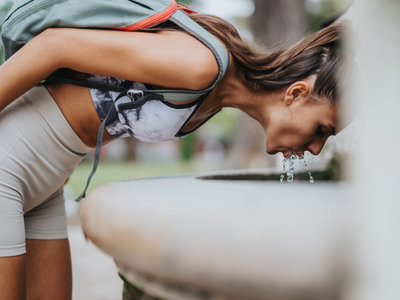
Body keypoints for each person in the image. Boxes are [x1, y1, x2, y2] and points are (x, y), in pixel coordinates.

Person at [0, 9, 349, 299]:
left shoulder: (217, 94)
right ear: (296, 93)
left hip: (43, 180)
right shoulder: (201, 64)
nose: (317, 148)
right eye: (322, 129)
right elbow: (54, 46)